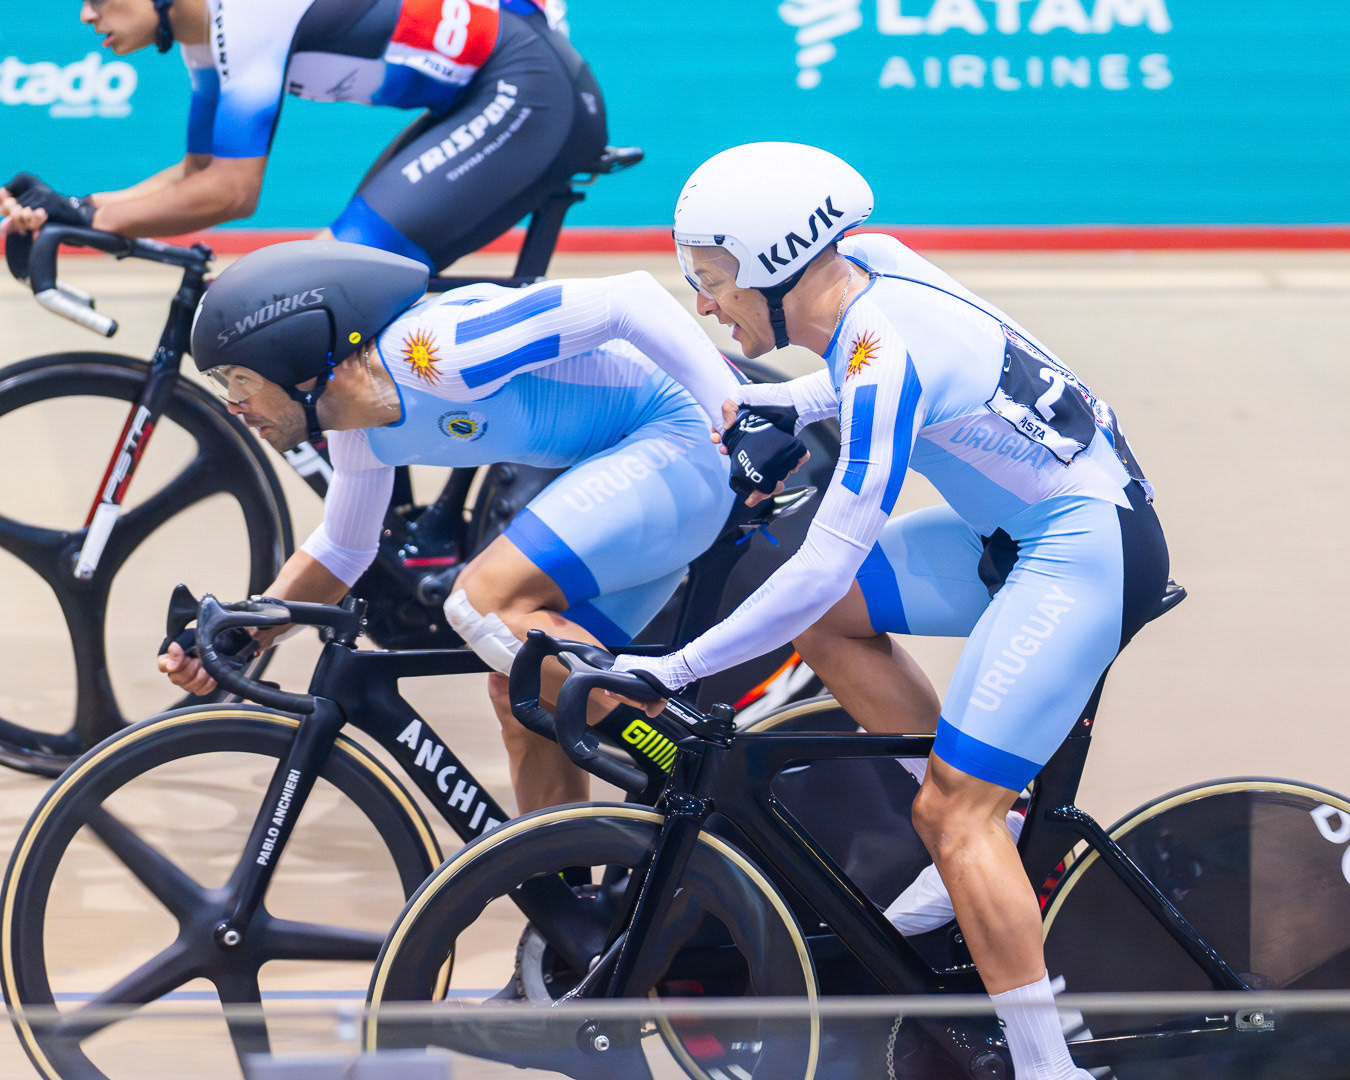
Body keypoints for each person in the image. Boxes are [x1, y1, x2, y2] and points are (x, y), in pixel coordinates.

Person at [613, 142, 1167, 1080]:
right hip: (1020, 532)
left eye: (710, 280)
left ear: (777, 270)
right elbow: (866, 393)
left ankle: (1044, 1065)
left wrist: (674, 668)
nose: (701, 304)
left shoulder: (882, 350)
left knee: (957, 818)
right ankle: (975, 813)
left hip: (1085, 554)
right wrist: (790, 403)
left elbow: (826, 557)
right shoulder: (877, 267)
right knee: (831, 631)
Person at [158, 238, 738, 813]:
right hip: (648, 477)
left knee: (482, 599)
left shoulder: (436, 351)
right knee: (526, 690)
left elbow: (627, 299)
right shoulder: (357, 430)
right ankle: (568, 889)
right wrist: (246, 632)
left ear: (295, 355)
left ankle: (714, 777)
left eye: (239, 379)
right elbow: (343, 549)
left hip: (686, 438)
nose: (234, 405)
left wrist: (746, 418)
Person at [1, 0, 604, 272]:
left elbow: (234, 193)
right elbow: (196, 175)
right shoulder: (202, 38)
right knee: (336, 285)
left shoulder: (246, 11)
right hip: (489, 91)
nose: (86, 14)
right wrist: (76, 208)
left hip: (530, 88)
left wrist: (86, 220)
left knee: (336, 277)